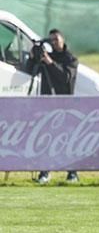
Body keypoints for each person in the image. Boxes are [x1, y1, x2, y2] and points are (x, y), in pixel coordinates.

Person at [27, 29, 80, 184]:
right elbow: (31, 72)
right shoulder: (46, 56)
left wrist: (49, 62)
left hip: (65, 104)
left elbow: (65, 78)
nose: (54, 42)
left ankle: (72, 173)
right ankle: (44, 172)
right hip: (47, 102)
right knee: (45, 138)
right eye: (51, 40)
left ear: (63, 40)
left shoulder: (70, 59)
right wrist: (32, 57)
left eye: (56, 39)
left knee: (67, 140)